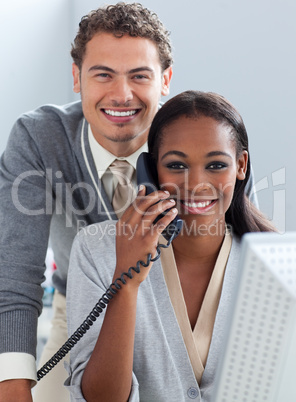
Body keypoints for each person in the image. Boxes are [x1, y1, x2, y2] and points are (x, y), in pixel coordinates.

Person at [0, 3, 173, 402]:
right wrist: (13, 385)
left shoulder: (197, 136)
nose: (122, 94)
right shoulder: (39, 140)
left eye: (139, 76)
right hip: (80, 312)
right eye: (104, 75)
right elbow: (14, 271)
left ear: (165, 80)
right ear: (77, 77)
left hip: (176, 318)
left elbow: (242, 250)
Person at [66, 90, 275, 401]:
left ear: (241, 166)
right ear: (151, 172)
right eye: (177, 166)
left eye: (216, 165)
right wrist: (126, 281)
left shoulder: (275, 263)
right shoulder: (97, 249)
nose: (196, 184)